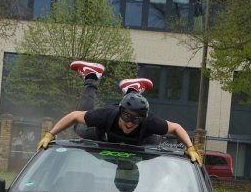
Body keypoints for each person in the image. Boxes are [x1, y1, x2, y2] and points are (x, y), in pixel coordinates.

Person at [36, 60, 202, 164]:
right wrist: (50, 134)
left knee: (153, 144)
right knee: (79, 128)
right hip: (103, 135)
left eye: (136, 120)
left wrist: (190, 148)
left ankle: (133, 90)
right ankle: (92, 75)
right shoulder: (107, 114)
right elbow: (73, 116)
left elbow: (176, 128)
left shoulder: (149, 122)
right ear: (120, 111)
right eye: (127, 117)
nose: (130, 123)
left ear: (143, 119)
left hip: (141, 140)